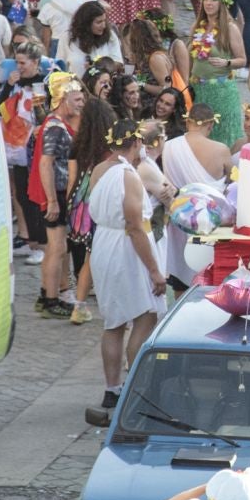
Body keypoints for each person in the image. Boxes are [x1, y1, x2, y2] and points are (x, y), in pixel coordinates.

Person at [86, 118, 168, 416]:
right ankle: (135, 388)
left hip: (104, 244)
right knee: (145, 315)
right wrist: (155, 271)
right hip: (125, 247)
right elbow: (135, 227)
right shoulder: (128, 176)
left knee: (114, 322)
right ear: (135, 144)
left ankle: (112, 389)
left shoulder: (98, 170)